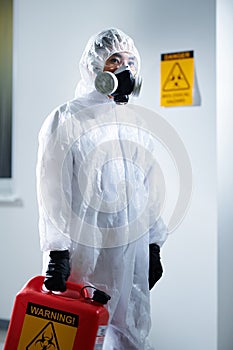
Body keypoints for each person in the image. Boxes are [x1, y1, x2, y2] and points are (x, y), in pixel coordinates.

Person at [36, 28, 168, 350]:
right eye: (114, 60)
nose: (125, 70)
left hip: (130, 253)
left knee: (130, 331)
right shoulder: (67, 119)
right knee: (76, 332)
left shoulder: (137, 125)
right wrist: (57, 251)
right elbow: (53, 190)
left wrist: (153, 244)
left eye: (130, 62)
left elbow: (149, 190)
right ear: (95, 68)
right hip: (84, 255)